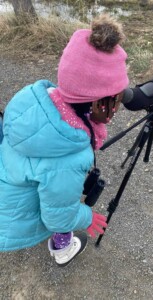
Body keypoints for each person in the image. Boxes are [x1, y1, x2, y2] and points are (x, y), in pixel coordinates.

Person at [0, 14, 130, 267]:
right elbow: (58, 214)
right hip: (12, 217)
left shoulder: (38, 102)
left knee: (52, 189)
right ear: (97, 103)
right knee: (62, 214)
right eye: (116, 99)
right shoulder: (68, 156)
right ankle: (62, 249)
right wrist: (85, 217)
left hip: (9, 185)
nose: (118, 106)